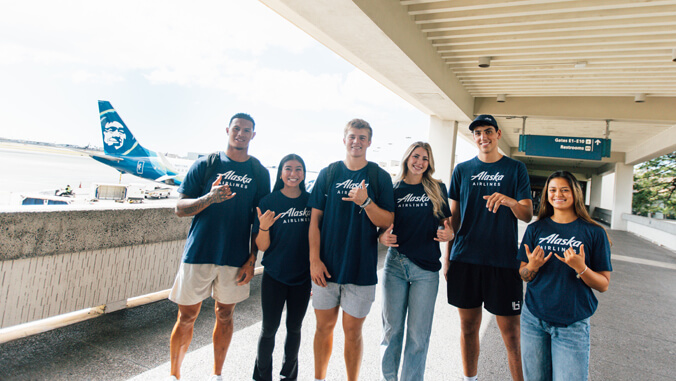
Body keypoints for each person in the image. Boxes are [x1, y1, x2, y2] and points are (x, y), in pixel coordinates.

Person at [168, 113, 270, 381]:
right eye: (236, 129)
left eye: (247, 130)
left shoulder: (259, 172)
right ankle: (174, 375)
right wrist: (210, 198)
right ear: (227, 130)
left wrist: (252, 259)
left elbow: (258, 222)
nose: (241, 134)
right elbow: (179, 209)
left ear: (253, 135)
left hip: (235, 258)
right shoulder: (206, 164)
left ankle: (217, 374)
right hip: (199, 252)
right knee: (187, 316)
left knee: (225, 314)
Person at [444, 114, 533, 381]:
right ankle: (469, 378)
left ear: (498, 134)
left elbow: (527, 214)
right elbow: (453, 220)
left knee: (512, 334)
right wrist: (447, 259)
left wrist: (510, 201)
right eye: (478, 133)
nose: (483, 137)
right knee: (468, 327)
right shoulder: (462, 170)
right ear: (474, 137)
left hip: (503, 262)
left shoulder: (515, 169)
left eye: (488, 131)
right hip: (465, 260)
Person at [308, 118, 395, 381]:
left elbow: (387, 220)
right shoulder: (329, 173)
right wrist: (314, 260)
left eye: (362, 137)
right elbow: (315, 221)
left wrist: (366, 202)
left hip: (361, 269)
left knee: (353, 333)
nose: (356, 141)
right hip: (326, 268)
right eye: (352, 136)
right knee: (323, 328)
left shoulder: (379, 177)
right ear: (344, 139)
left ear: (369, 142)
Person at [518, 171, 612, 380]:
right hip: (534, 318)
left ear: (575, 194)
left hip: (573, 323)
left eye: (564, 190)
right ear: (546, 195)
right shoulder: (535, 229)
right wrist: (532, 266)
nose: (557, 194)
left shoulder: (594, 232)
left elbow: (603, 284)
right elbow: (524, 274)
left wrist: (581, 268)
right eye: (552, 190)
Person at [379, 142, 453, 381]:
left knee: (418, 336)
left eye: (425, 158)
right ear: (407, 158)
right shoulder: (393, 189)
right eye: (416, 156)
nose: (419, 162)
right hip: (396, 266)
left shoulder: (437, 188)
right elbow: (382, 227)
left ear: (429, 163)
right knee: (392, 331)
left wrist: (448, 234)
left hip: (426, 270)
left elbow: (447, 226)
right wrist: (383, 237)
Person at [252, 154, 312, 381]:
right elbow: (262, 246)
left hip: (302, 277)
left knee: (294, 328)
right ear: (280, 173)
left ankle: (289, 376)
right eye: (288, 169)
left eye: (298, 169)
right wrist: (264, 228)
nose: (293, 173)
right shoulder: (269, 202)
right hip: (274, 275)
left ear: (304, 174)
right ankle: (262, 376)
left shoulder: (311, 201)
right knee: (269, 329)